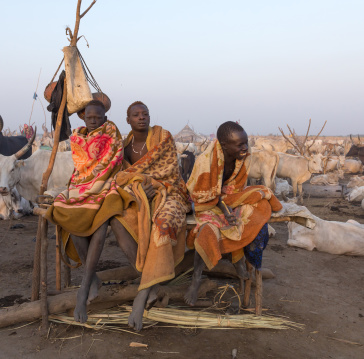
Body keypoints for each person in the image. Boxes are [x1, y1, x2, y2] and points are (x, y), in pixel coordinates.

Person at [109, 101, 191, 331]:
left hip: (171, 193)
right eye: (136, 115)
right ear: (128, 120)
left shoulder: (162, 137)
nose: (142, 117)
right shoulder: (124, 147)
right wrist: (138, 189)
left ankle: (141, 294)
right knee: (118, 221)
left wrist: (153, 185)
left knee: (162, 225)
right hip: (140, 198)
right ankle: (151, 283)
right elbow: (124, 177)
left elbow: (171, 172)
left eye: (145, 114)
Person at [45, 100, 128, 323]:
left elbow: (113, 160)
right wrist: (86, 185)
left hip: (107, 184)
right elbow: (82, 165)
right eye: (89, 117)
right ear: (83, 117)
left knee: (100, 227)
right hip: (81, 185)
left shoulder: (112, 136)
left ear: (105, 118)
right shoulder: (77, 138)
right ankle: (93, 280)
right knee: (72, 220)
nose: (93, 120)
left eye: (97, 117)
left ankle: (84, 288)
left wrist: (97, 183)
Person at [184, 121, 282, 306]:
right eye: (239, 144)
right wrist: (224, 209)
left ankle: (238, 260)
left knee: (253, 209)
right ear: (224, 145)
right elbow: (202, 194)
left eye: (245, 142)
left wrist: (229, 208)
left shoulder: (243, 156)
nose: (245, 147)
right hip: (204, 202)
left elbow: (235, 188)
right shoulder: (206, 161)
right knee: (208, 229)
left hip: (228, 198)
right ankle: (196, 279)